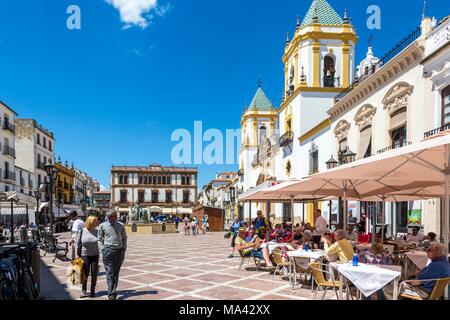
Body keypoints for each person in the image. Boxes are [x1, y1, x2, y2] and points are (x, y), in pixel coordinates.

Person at [98, 210, 127, 301]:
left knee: (115, 272)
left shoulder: (121, 225)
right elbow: (99, 239)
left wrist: (124, 248)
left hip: (119, 251)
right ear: (107, 217)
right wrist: (102, 249)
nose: (112, 218)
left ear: (116, 216)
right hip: (107, 251)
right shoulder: (102, 226)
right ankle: (111, 293)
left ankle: (112, 290)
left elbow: (124, 237)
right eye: (110, 217)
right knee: (109, 272)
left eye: (114, 216)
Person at [77, 216, 100, 298]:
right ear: (91, 222)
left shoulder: (98, 231)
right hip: (85, 255)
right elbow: (78, 243)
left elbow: (101, 242)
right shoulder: (82, 231)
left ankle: (93, 291)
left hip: (95, 255)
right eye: (96, 221)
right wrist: (78, 255)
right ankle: (84, 289)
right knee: (85, 273)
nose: (97, 223)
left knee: (94, 273)